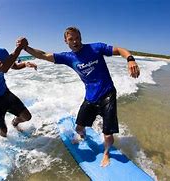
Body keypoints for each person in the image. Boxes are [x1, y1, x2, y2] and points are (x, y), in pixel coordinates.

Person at [23, 26, 140, 167]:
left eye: (77, 38)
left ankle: (107, 153)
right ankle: (83, 136)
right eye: (71, 39)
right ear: (66, 41)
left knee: (108, 135)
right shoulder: (68, 57)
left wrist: (130, 59)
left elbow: (120, 50)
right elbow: (43, 55)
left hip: (107, 94)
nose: (75, 41)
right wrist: (26, 48)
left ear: (81, 38)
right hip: (90, 97)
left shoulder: (95, 48)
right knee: (79, 128)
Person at [0, 25, 37, 137]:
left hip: (5, 93)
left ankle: (14, 122)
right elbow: (3, 68)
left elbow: (13, 66)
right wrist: (19, 48)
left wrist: (24, 64)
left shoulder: (2, 51)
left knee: (26, 116)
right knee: (4, 131)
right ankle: (4, 144)